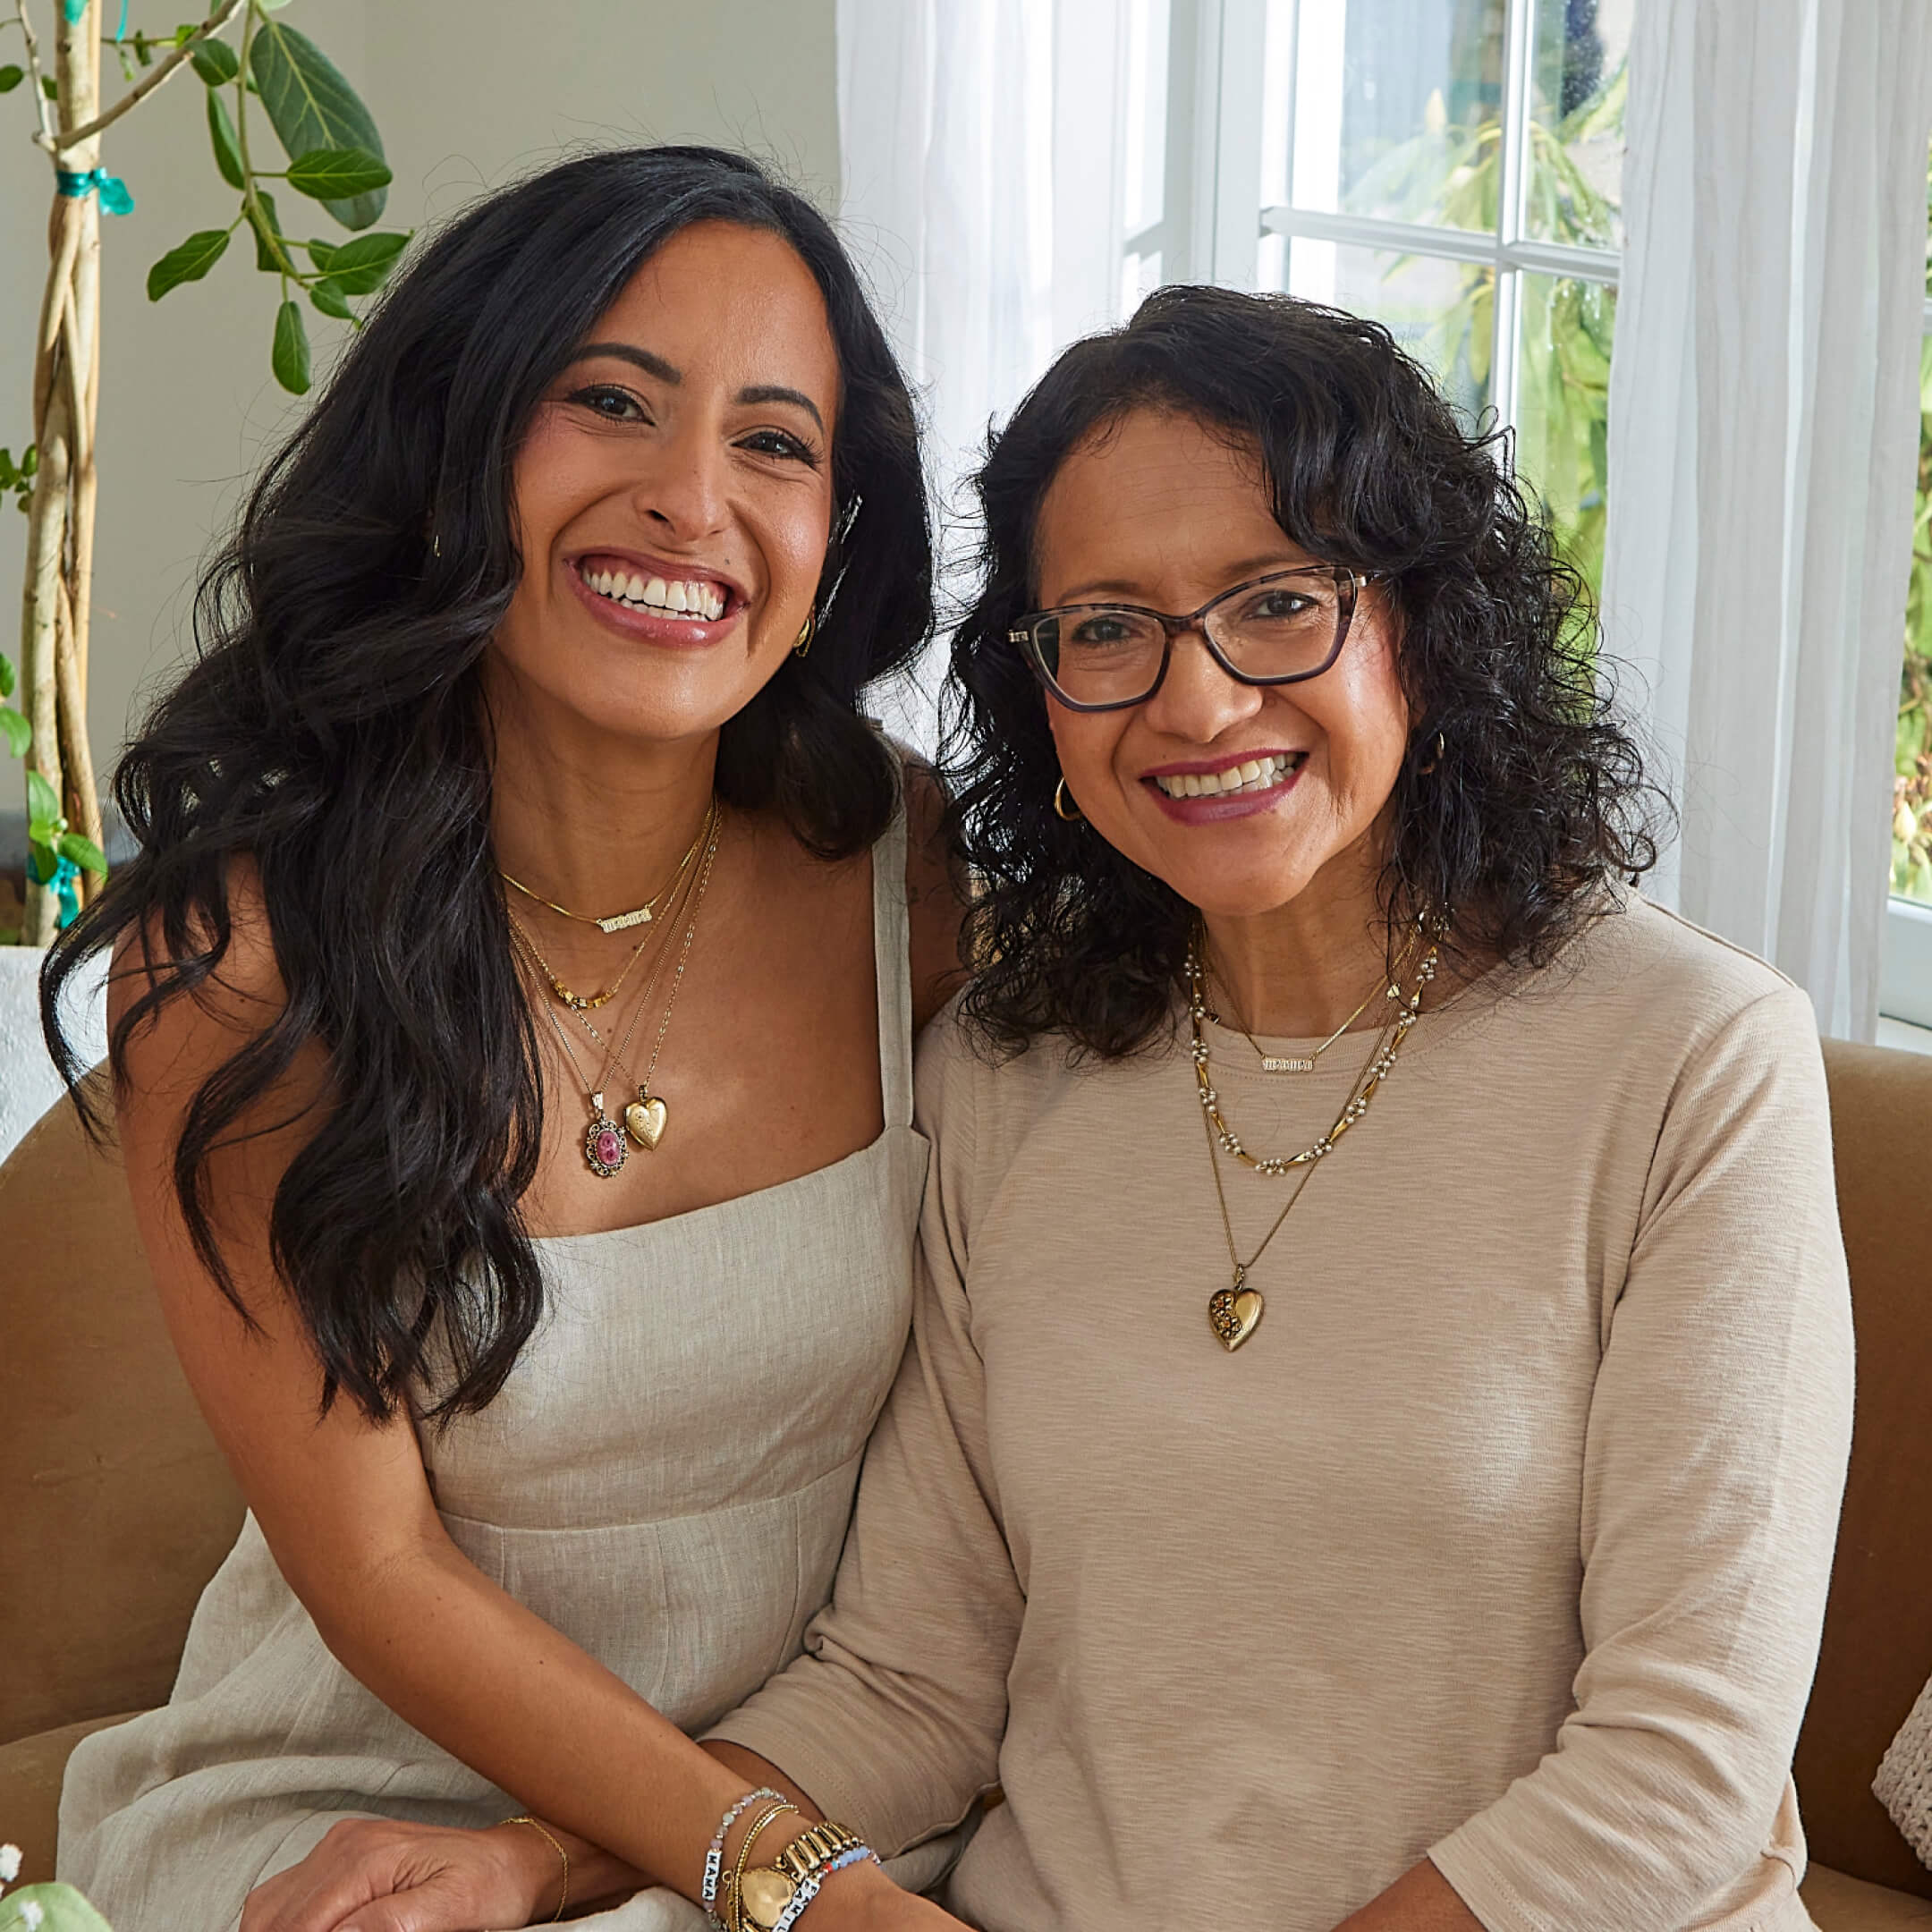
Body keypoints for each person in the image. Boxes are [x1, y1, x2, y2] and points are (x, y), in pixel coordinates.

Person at [258, 287, 1854, 1932]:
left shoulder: (1692, 1059)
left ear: (1427, 628)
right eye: (1105, 628)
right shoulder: (1015, 1068)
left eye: (1277, 602)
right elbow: (907, 1687)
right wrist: (531, 1865)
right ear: (1037, 693)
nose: (1200, 701)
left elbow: (1682, 1771)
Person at [43, 145, 963, 1932]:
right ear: (457, 444)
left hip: (816, 1789)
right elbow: (376, 1573)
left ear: (837, 526)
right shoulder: (235, 974)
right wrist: (786, 1885)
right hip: (363, 1826)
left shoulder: (904, 876)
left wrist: (780, 1861)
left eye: (774, 443)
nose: (692, 501)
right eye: (607, 402)